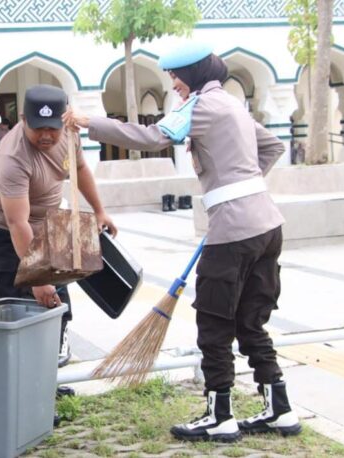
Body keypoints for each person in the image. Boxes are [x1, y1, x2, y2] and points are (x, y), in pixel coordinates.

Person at [64, 43, 301, 442]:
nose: (173, 85)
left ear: (192, 74)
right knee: (251, 320)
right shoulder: (232, 106)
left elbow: (155, 136)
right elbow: (273, 147)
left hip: (233, 233)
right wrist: (240, 190)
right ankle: (280, 409)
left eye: (175, 76)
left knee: (214, 321)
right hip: (267, 227)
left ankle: (220, 416)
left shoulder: (202, 106)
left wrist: (91, 123)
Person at [0, 84, 118, 379]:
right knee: (21, 309)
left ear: (64, 121)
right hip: (4, 231)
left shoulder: (70, 134)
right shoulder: (12, 156)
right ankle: (19, 388)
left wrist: (100, 210)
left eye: (53, 128)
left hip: (47, 224)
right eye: (38, 128)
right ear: (23, 120)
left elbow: (80, 169)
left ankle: (44, 381)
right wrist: (36, 278)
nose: (46, 136)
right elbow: (17, 223)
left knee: (56, 301)